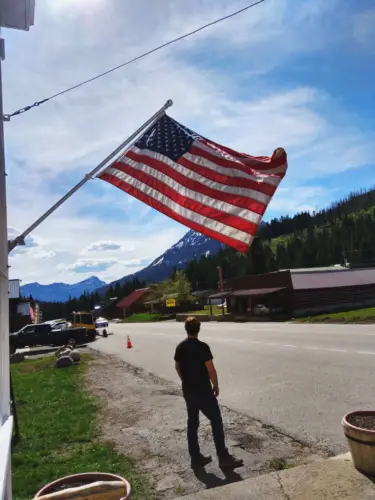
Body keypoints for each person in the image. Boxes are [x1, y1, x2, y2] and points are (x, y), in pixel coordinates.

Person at [174, 316, 243, 469]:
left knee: (193, 423)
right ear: (198, 329)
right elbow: (210, 369)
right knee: (216, 421)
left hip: (189, 391)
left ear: (186, 329)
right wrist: (216, 384)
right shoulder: (202, 347)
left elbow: (177, 367)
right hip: (203, 391)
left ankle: (195, 457)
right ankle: (223, 458)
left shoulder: (180, 347)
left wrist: (185, 380)